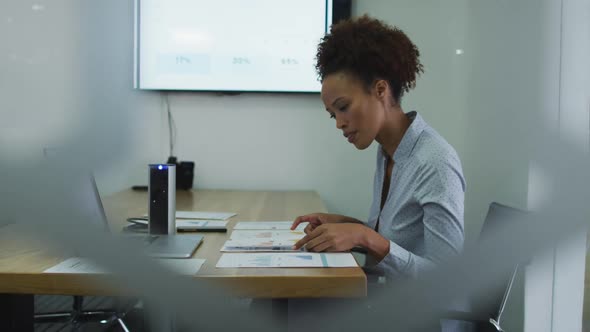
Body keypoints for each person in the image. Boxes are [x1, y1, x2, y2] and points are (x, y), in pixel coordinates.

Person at [288, 15, 469, 332]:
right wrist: (348, 227)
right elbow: (396, 242)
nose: (339, 123)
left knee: (283, 309)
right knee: (281, 305)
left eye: (343, 107)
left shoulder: (435, 160)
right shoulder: (387, 151)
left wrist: (363, 236)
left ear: (381, 90)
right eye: (333, 114)